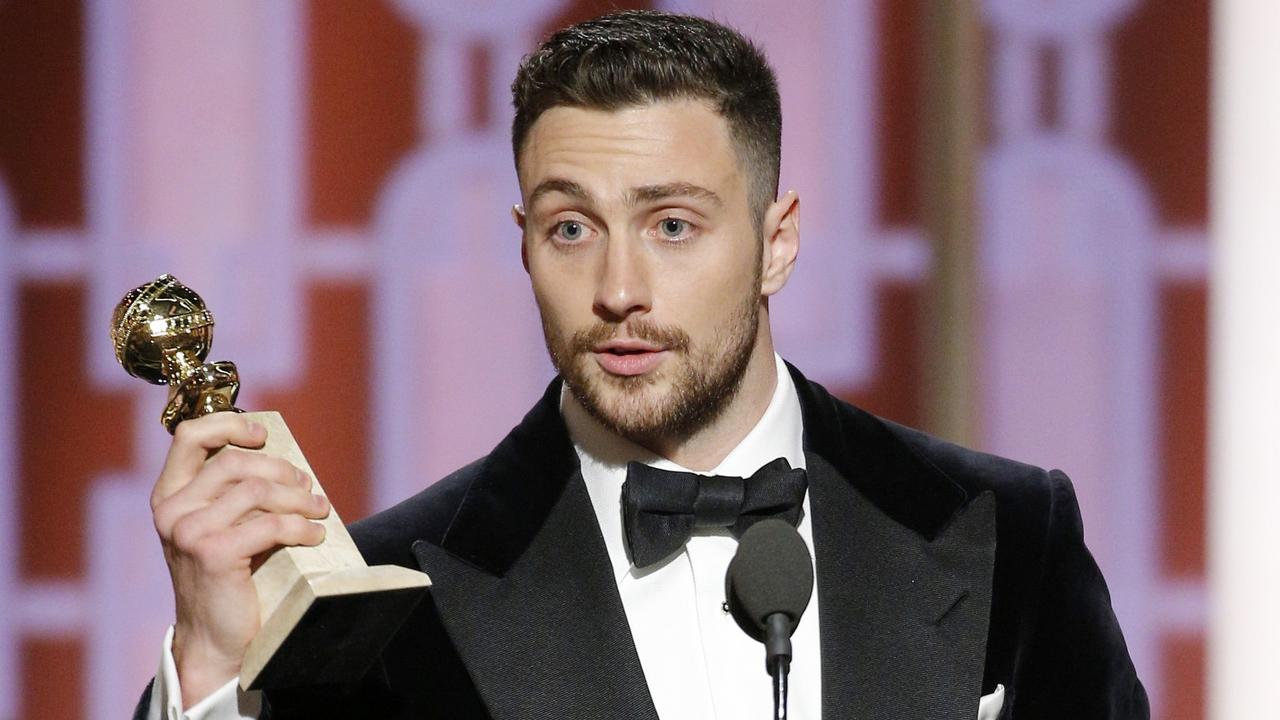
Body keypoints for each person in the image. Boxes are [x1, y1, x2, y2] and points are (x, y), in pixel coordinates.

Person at [134, 10, 1148, 720]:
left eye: (671, 224)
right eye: (571, 228)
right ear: (521, 243)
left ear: (776, 240)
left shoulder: (1008, 534)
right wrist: (214, 669)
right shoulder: (397, 600)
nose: (618, 286)